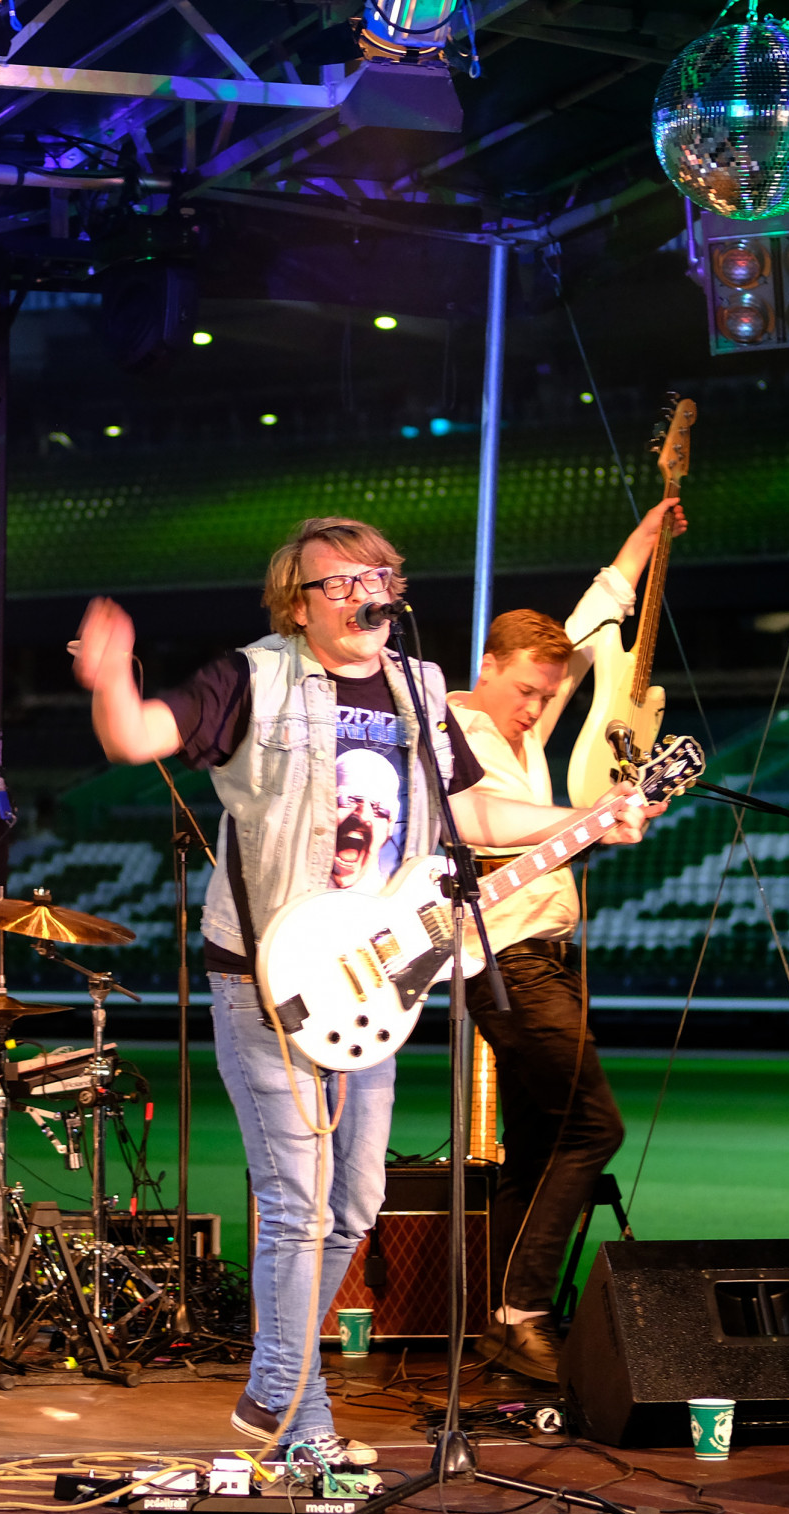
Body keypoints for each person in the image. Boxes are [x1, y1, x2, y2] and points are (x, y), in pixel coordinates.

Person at [75, 515, 656, 1464]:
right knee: (297, 1200)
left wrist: (583, 814)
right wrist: (112, 680)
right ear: (295, 605)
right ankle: (296, 1413)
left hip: (375, 974)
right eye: (338, 582)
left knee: (356, 1201)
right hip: (270, 976)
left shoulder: (421, 688)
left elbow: (470, 811)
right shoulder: (252, 676)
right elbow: (141, 733)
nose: (363, 593)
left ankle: (283, 1389)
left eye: (376, 576)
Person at [450, 496, 686, 1383]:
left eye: (542, 698)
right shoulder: (452, 726)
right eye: (523, 691)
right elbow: (481, 822)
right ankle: (521, 1311)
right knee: (593, 1128)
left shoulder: (522, 719)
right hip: (508, 962)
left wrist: (643, 537)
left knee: (541, 1144)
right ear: (488, 665)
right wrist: (589, 815)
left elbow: (591, 632)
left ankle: (497, 1326)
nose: (532, 710)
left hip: (546, 958)